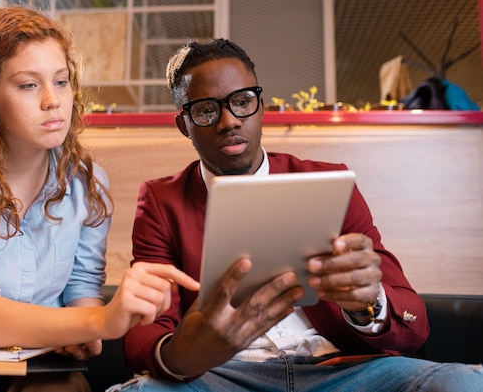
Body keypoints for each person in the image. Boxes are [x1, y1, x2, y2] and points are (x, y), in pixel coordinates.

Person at [112, 39, 483, 391]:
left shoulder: (330, 181)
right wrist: (186, 350)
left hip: (340, 371)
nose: (229, 121)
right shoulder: (161, 201)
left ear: (260, 107)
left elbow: (415, 324)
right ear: (184, 126)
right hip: (225, 377)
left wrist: (369, 304)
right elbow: (145, 334)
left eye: (242, 101)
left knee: (463, 383)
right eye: (207, 110)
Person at [0, 6, 199, 392]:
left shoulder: (89, 184)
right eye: (29, 85)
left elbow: (81, 288)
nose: (52, 100)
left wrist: (85, 326)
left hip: (35, 346)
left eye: (61, 82)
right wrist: (100, 322)